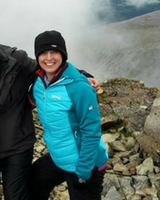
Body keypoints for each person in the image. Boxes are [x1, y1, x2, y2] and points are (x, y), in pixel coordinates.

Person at [0, 17, 99, 200]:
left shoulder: (13, 61)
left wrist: (83, 75)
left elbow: (49, 67)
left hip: (17, 145)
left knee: (16, 196)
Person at [28, 30, 108, 200]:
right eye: (43, 53)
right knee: (33, 181)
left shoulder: (79, 88)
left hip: (86, 164)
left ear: (63, 55)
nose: (49, 58)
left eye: (54, 52)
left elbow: (92, 131)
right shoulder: (39, 83)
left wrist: (84, 171)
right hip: (60, 157)